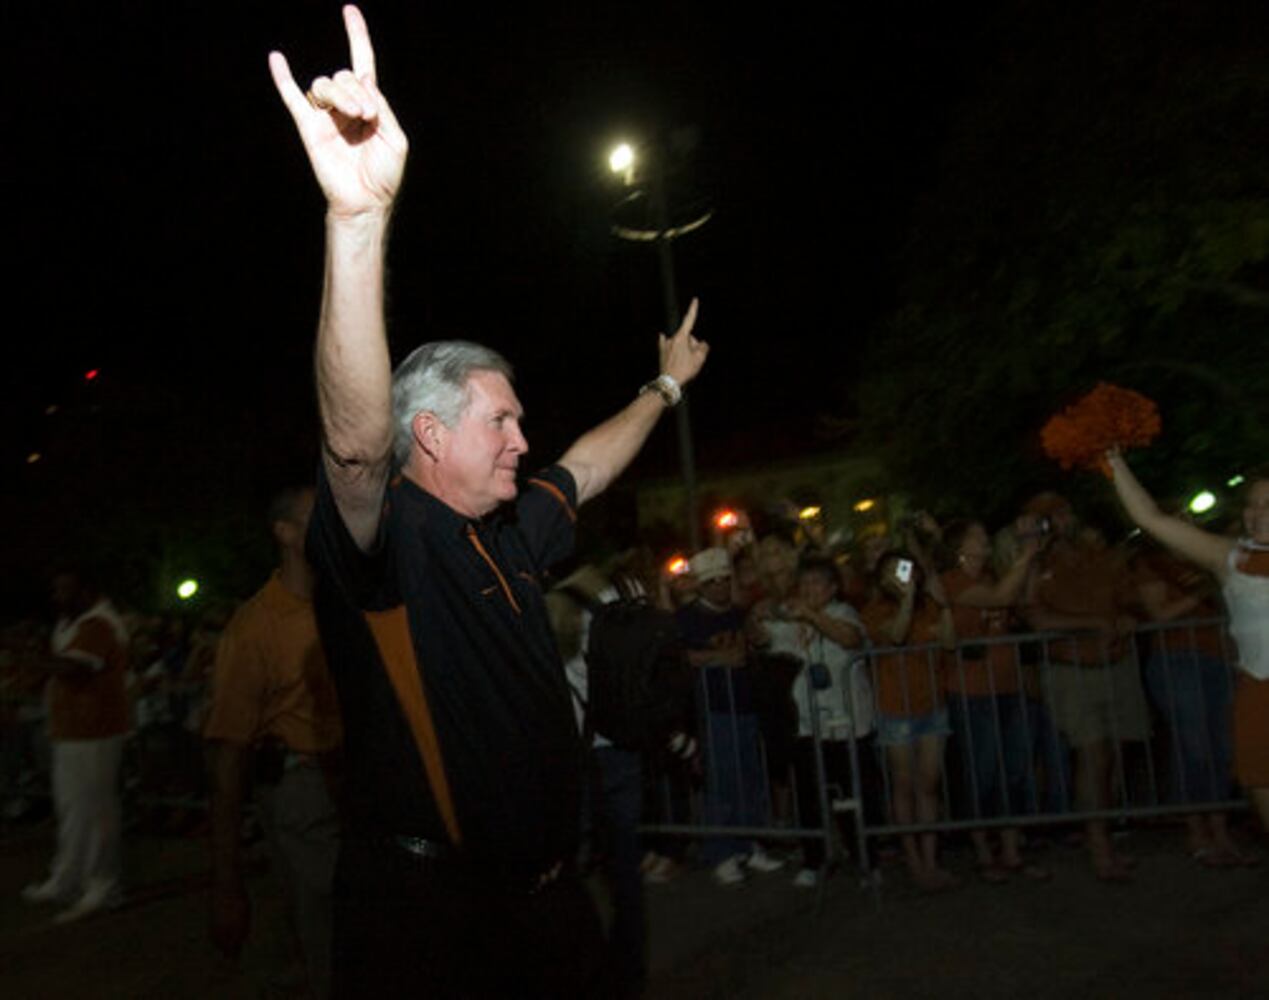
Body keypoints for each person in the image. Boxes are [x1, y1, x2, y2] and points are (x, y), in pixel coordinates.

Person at [268, 8, 709, 995]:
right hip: (434, 929)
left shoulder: (506, 529)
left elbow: (587, 467)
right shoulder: (389, 546)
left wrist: (664, 388)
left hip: (548, 908)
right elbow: (352, 448)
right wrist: (356, 224)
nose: (521, 439)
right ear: (428, 434)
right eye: (500, 420)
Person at [204, 487, 343, 999]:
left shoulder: (347, 602)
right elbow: (229, 752)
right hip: (303, 790)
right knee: (327, 921)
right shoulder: (255, 628)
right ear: (285, 533)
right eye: (319, 517)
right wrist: (227, 882)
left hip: (355, 781)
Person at [1108, 451, 1269, 841]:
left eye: (1268, 504)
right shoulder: (1230, 557)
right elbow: (1150, 517)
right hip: (1260, 698)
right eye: (1251, 504)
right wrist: (1112, 460)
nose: (1256, 513)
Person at [1022, 490, 1151, 882]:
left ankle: (1104, 834)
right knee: (1092, 755)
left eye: (1063, 512)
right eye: (1050, 516)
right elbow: (1035, 618)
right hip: (1071, 668)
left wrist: (1127, 617)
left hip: (1115, 663)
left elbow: (1130, 599)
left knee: (1112, 754)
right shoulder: (1035, 564)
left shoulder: (1098, 555)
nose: (1061, 521)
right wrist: (1093, 623)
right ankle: (1099, 848)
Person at [941, 518, 1049, 882]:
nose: (984, 538)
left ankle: (1012, 850)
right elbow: (1000, 599)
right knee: (982, 774)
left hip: (1008, 685)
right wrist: (1026, 556)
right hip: (972, 691)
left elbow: (1022, 601)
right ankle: (984, 852)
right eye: (976, 535)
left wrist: (1029, 561)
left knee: (1013, 771)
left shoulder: (992, 577)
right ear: (959, 548)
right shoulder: (953, 582)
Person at [21, 570, 130, 924]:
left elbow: (76, 669)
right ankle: (67, 878)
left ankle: (103, 885)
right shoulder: (75, 622)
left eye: (64, 590)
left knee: (95, 810)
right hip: (73, 732)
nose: (57, 596)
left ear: (85, 591)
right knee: (73, 810)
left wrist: (30, 658)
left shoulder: (98, 624)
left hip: (95, 731)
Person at [765, 554, 876, 889]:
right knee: (810, 796)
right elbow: (763, 638)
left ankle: (865, 859)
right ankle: (814, 860)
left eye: (816, 583)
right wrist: (756, 617)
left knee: (854, 796)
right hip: (809, 724)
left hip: (849, 721)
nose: (809, 589)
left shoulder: (844, 613)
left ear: (832, 588)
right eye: (804, 583)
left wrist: (811, 616)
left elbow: (850, 638)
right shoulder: (793, 621)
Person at [678, 547, 783, 886]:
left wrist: (757, 634)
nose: (720, 587)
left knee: (750, 777)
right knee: (721, 781)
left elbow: (759, 643)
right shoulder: (687, 618)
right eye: (713, 582)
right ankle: (722, 851)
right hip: (714, 709)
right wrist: (716, 659)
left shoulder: (740, 613)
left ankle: (749, 843)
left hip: (746, 704)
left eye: (725, 580)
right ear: (701, 585)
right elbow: (679, 656)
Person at [861, 548, 958, 890]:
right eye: (893, 571)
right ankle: (914, 861)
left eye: (906, 569)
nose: (902, 577)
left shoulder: (928, 606)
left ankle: (930, 860)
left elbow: (949, 642)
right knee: (903, 785)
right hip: (895, 708)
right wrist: (907, 600)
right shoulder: (875, 611)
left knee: (928, 784)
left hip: (932, 705)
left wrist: (943, 603)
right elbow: (897, 635)